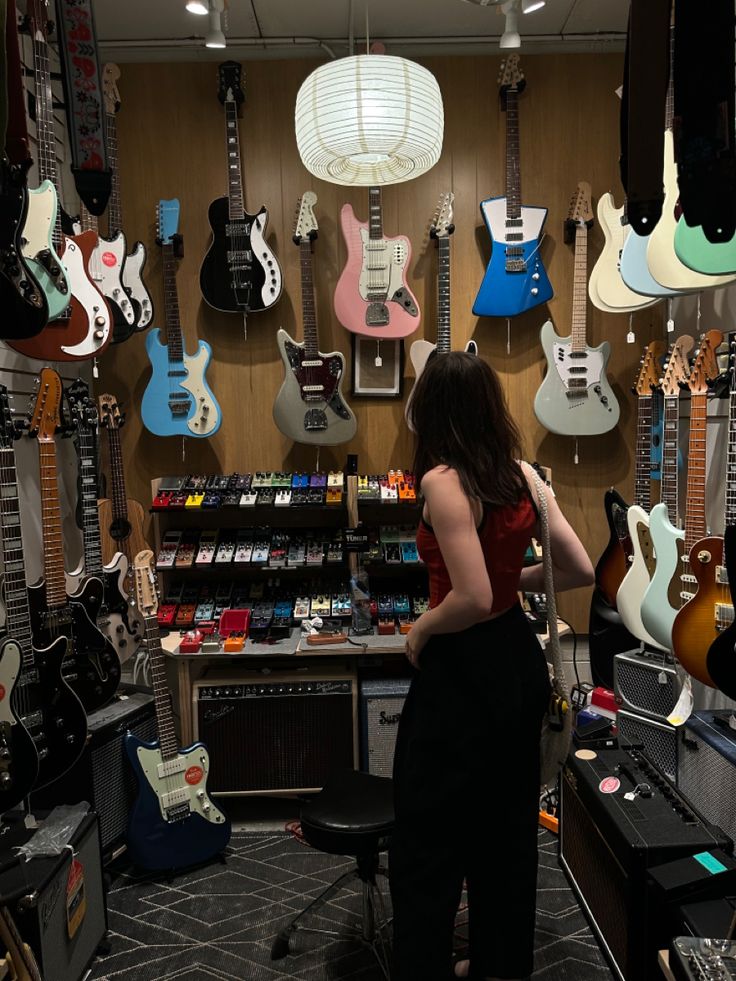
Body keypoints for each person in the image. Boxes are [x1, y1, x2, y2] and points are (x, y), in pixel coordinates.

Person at [389, 352, 594, 981]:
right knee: (507, 837)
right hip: (515, 659)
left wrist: (420, 627)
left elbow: (469, 598)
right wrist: (512, 578)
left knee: (429, 836)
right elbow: (578, 570)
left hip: (460, 670)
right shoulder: (524, 476)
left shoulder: (442, 483)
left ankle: (424, 964)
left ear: (430, 410)